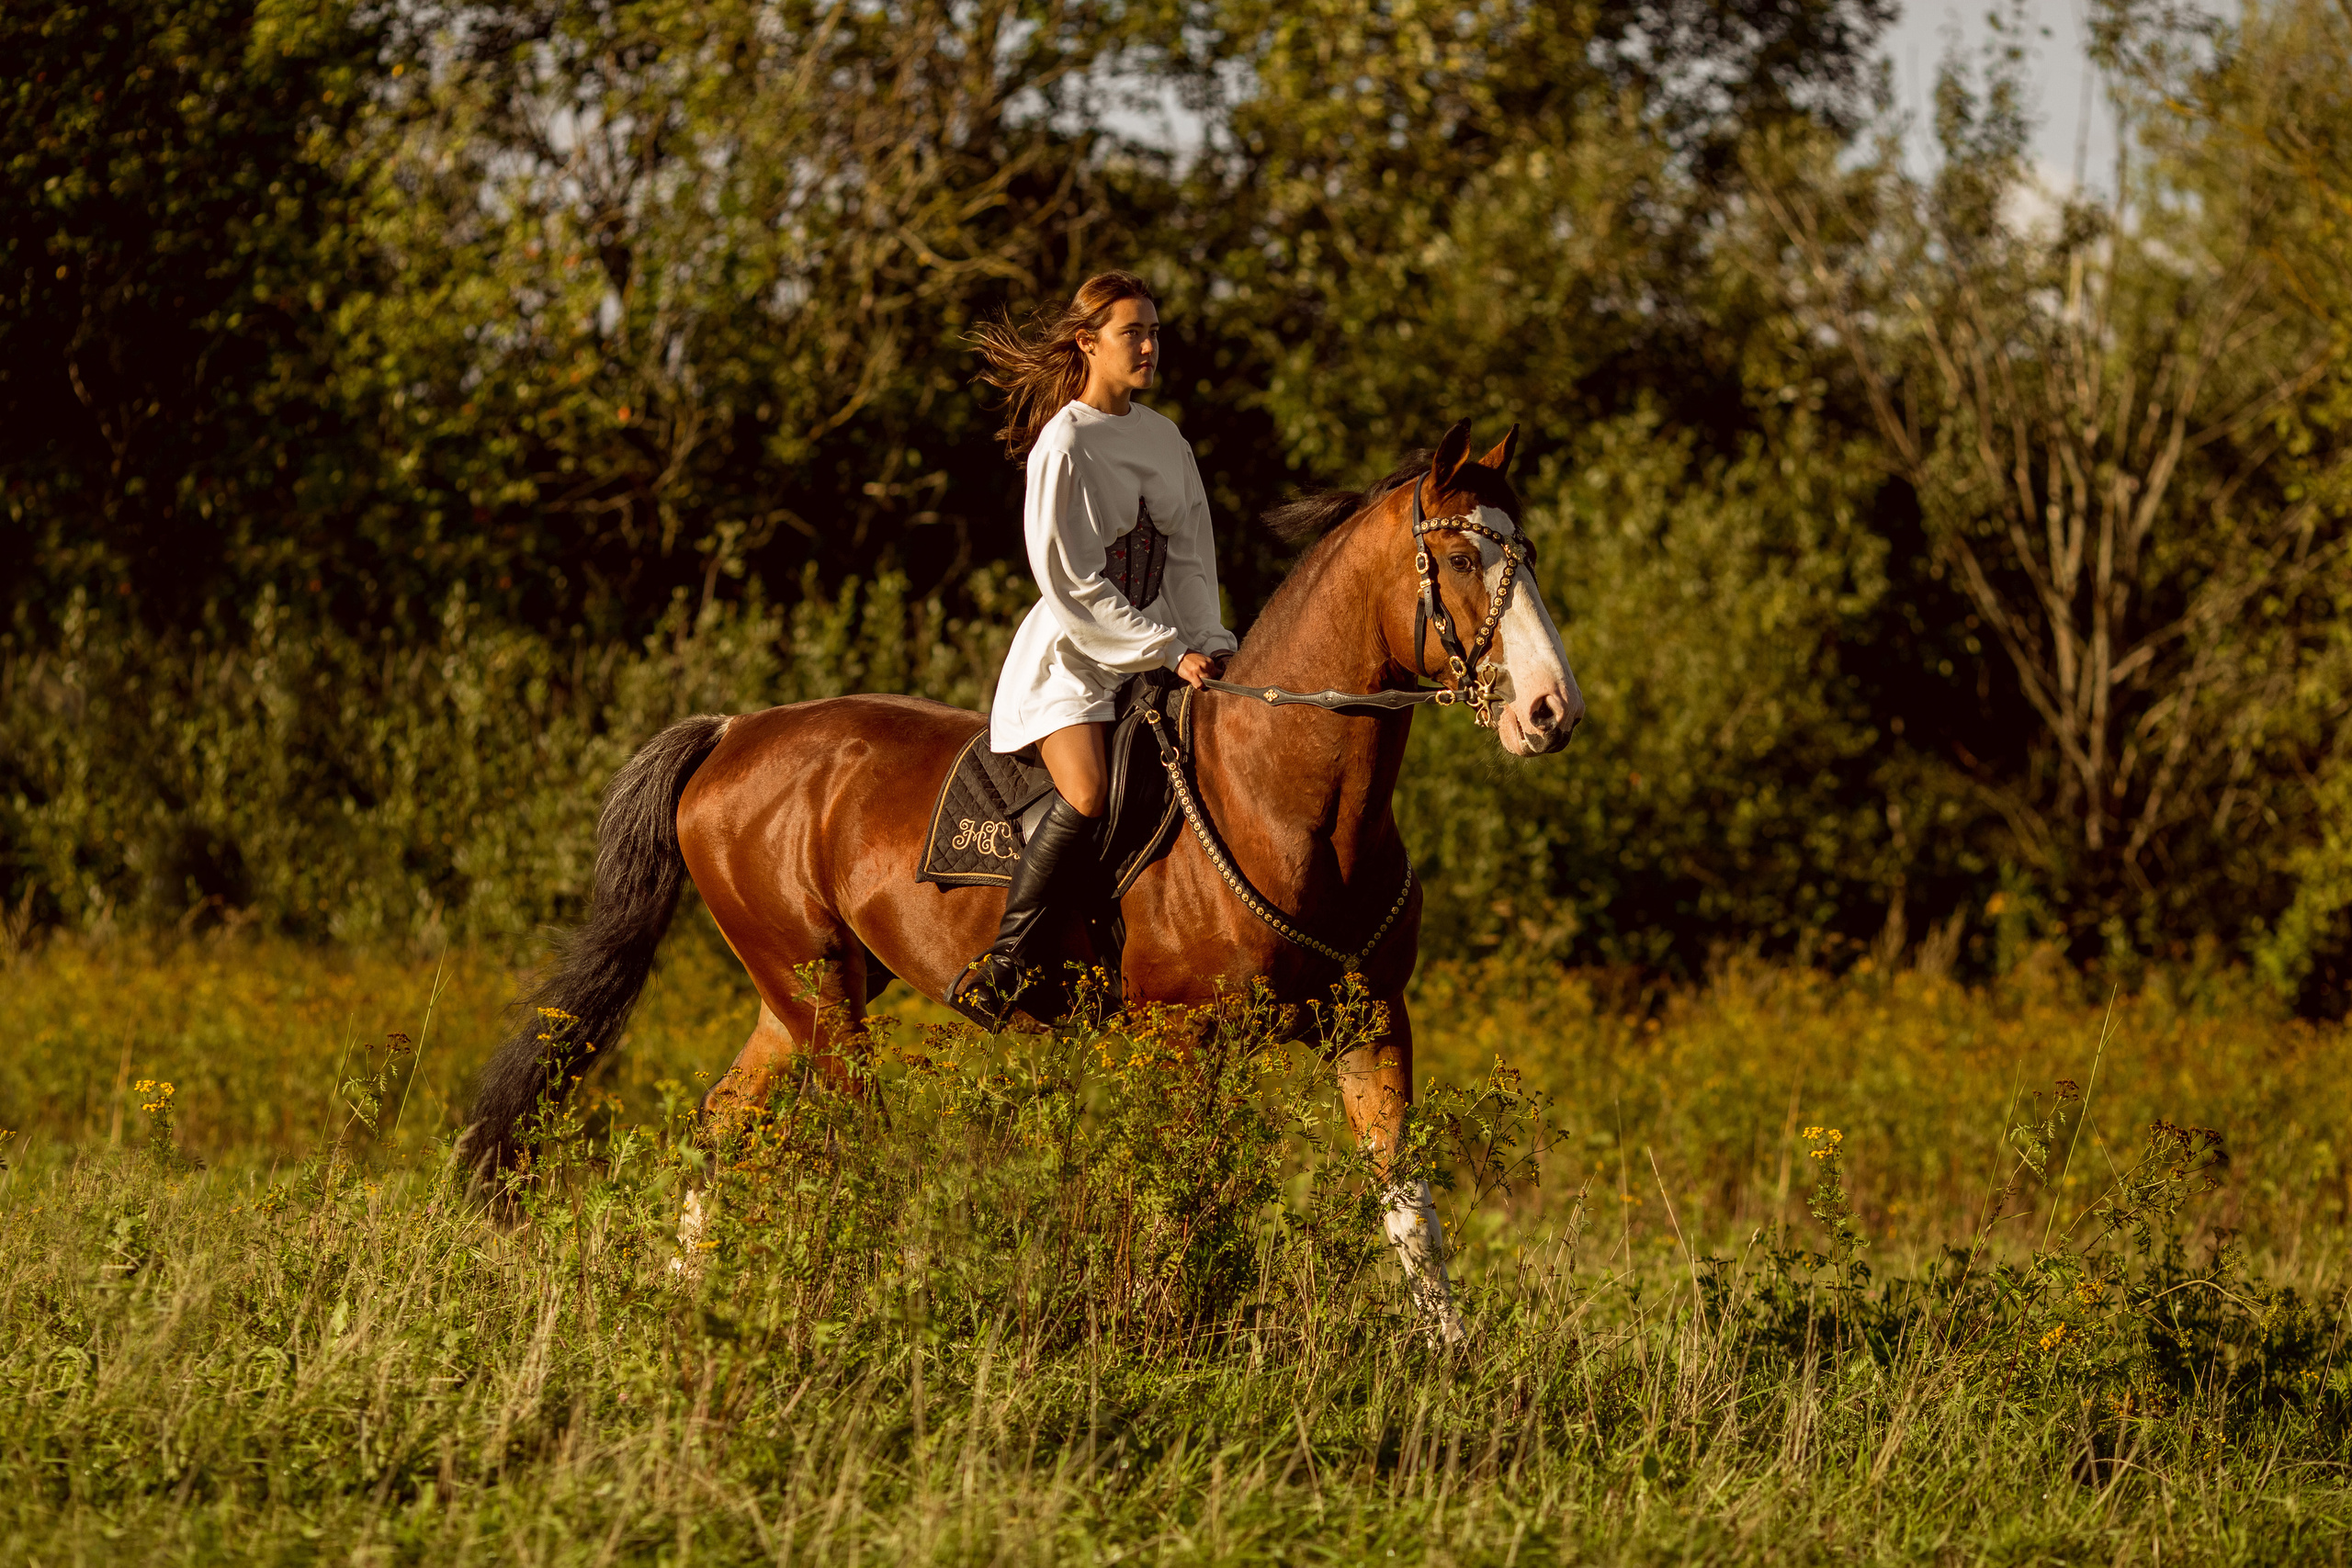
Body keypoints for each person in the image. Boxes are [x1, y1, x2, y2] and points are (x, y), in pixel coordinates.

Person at [952, 271, 1238, 1022]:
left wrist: (1207, 641)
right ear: (1088, 342)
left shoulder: (1164, 438)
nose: (1147, 346)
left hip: (1163, 644)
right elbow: (1070, 580)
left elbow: (1190, 556)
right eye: (1131, 333)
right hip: (1075, 656)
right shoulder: (1065, 443)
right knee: (1085, 791)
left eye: (1153, 331)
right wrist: (1166, 648)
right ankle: (1007, 964)